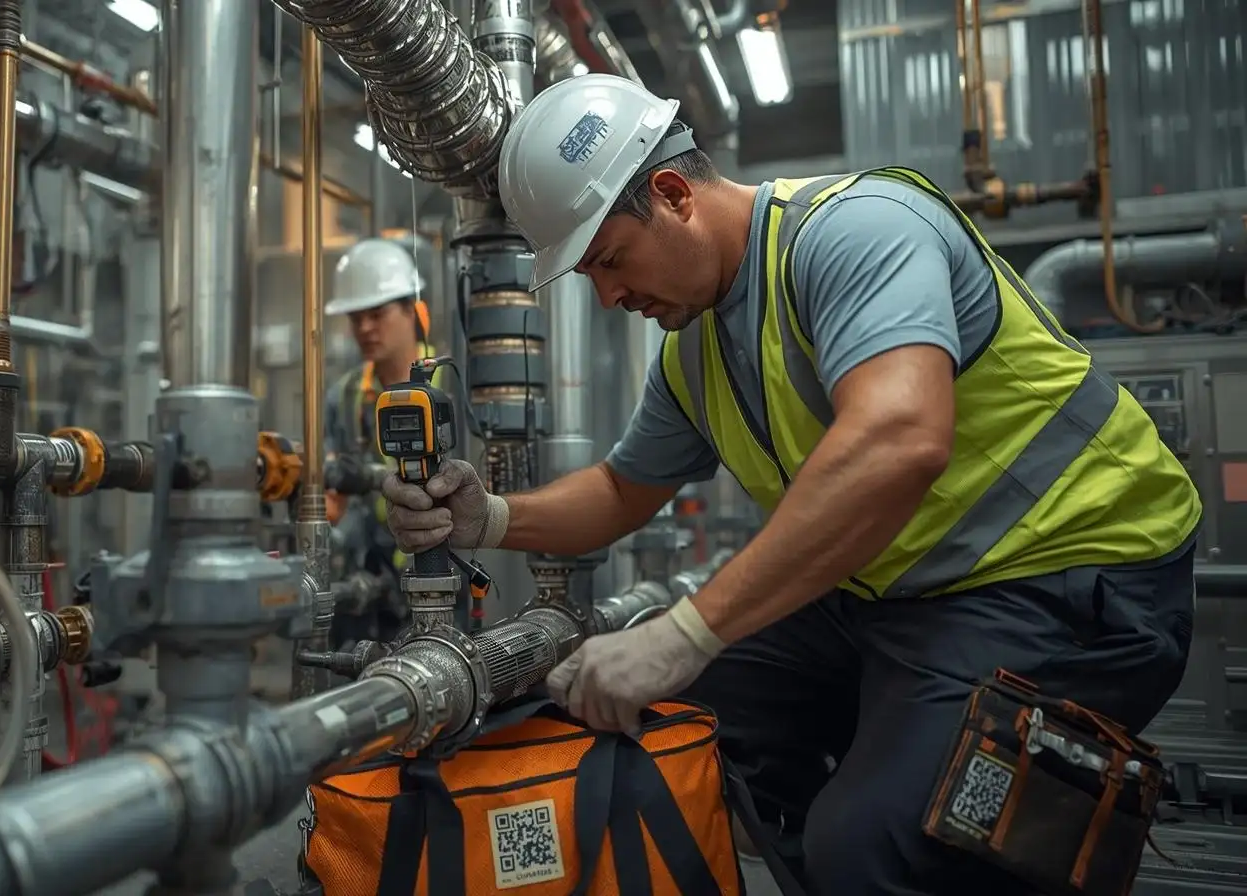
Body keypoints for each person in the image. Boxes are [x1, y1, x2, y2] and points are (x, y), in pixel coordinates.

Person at [381, 74, 1200, 895]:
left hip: (1076, 574)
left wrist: (685, 632)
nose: (610, 295)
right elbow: (622, 491)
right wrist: (484, 518)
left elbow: (900, 441)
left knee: (875, 845)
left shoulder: (856, 232)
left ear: (673, 194)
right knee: (689, 717)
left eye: (610, 259)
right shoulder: (693, 353)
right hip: (905, 591)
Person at [323, 237, 444, 644]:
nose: (365, 329)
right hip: (362, 575)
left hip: (437, 570)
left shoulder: (449, 385)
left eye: (377, 314)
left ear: (413, 309)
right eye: (356, 318)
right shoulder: (344, 396)